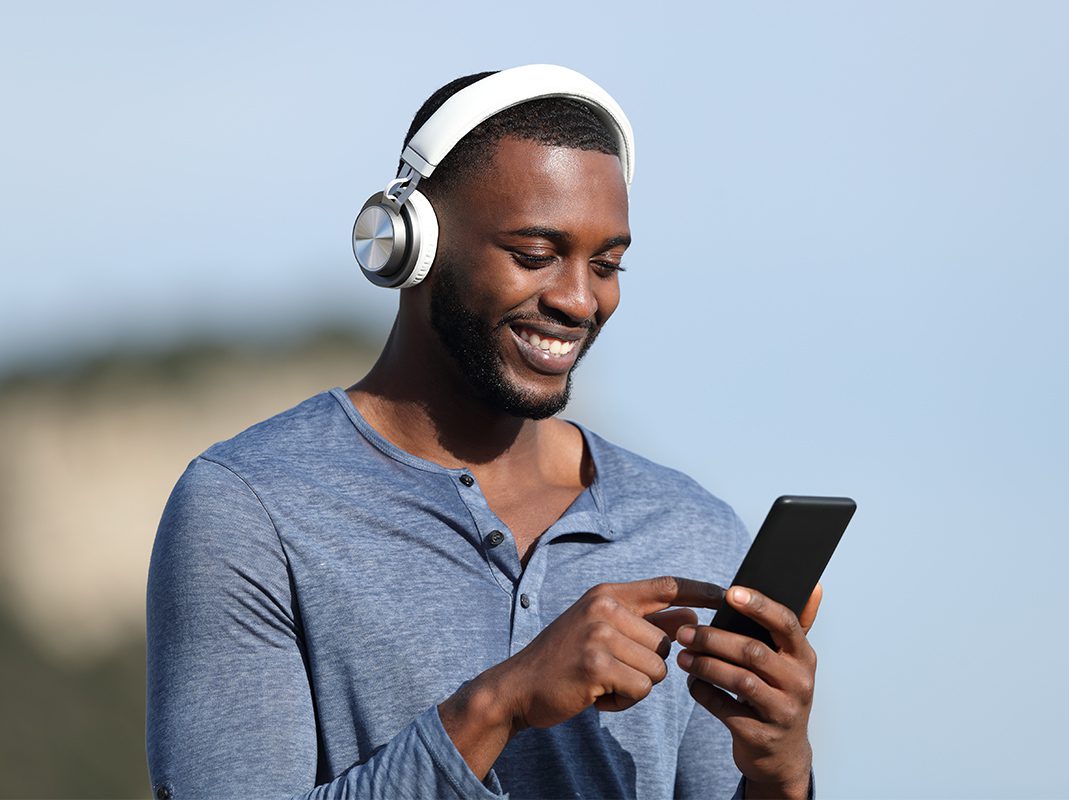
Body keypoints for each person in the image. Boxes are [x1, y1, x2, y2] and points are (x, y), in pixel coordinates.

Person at [146, 65, 822, 800]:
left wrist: (781, 775)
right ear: (411, 246)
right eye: (534, 256)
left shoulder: (690, 530)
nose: (577, 299)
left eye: (607, 264)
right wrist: (498, 705)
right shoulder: (252, 508)